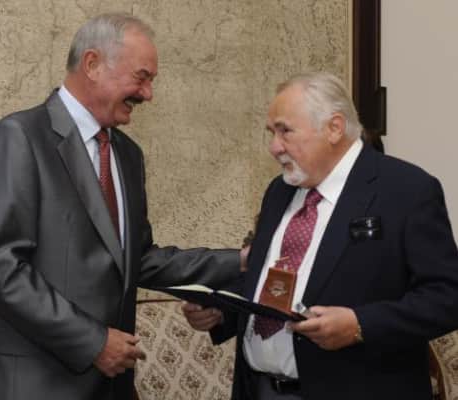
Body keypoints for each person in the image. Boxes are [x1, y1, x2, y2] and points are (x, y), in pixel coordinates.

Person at [0, 13, 244, 400]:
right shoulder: (19, 137)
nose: (148, 94)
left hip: (111, 386)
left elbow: (140, 260)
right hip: (35, 384)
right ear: (92, 64)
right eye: (142, 77)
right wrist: (93, 342)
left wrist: (241, 260)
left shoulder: (127, 154)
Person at [183, 72, 458, 400]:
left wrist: (359, 324)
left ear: (334, 128)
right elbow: (273, 282)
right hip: (260, 389)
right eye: (272, 133)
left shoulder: (406, 190)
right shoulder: (279, 191)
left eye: (285, 131)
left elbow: (447, 297)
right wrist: (222, 312)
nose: (274, 147)